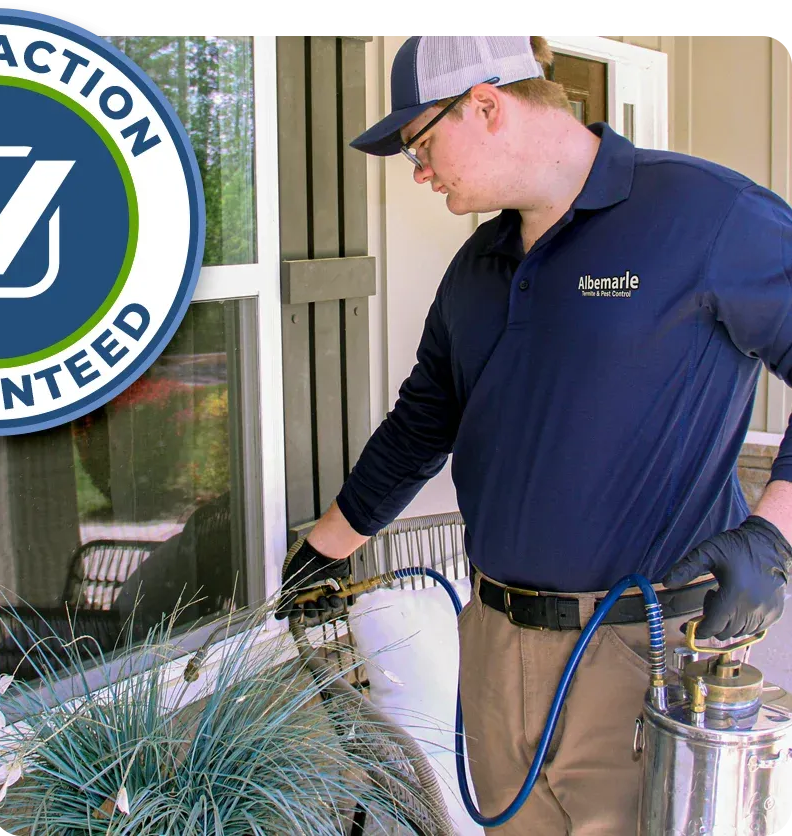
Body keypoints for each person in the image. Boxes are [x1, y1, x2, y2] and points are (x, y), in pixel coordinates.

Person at [274, 33, 792, 835]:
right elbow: (422, 422)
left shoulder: (706, 216)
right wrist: (324, 548)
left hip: (640, 647)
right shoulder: (476, 267)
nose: (418, 173)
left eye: (420, 143)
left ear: (485, 104)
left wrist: (771, 535)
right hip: (491, 643)